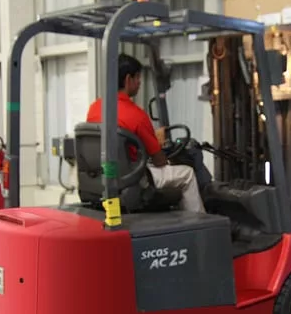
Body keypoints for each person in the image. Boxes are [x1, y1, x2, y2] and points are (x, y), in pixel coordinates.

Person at [86, 53, 205, 213]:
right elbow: (159, 161)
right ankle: (200, 222)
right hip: (134, 179)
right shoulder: (137, 115)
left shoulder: (94, 108)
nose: (140, 82)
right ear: (128, 79)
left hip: (105, 175)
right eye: (138, 77)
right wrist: (159, 144)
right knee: (187, 174)